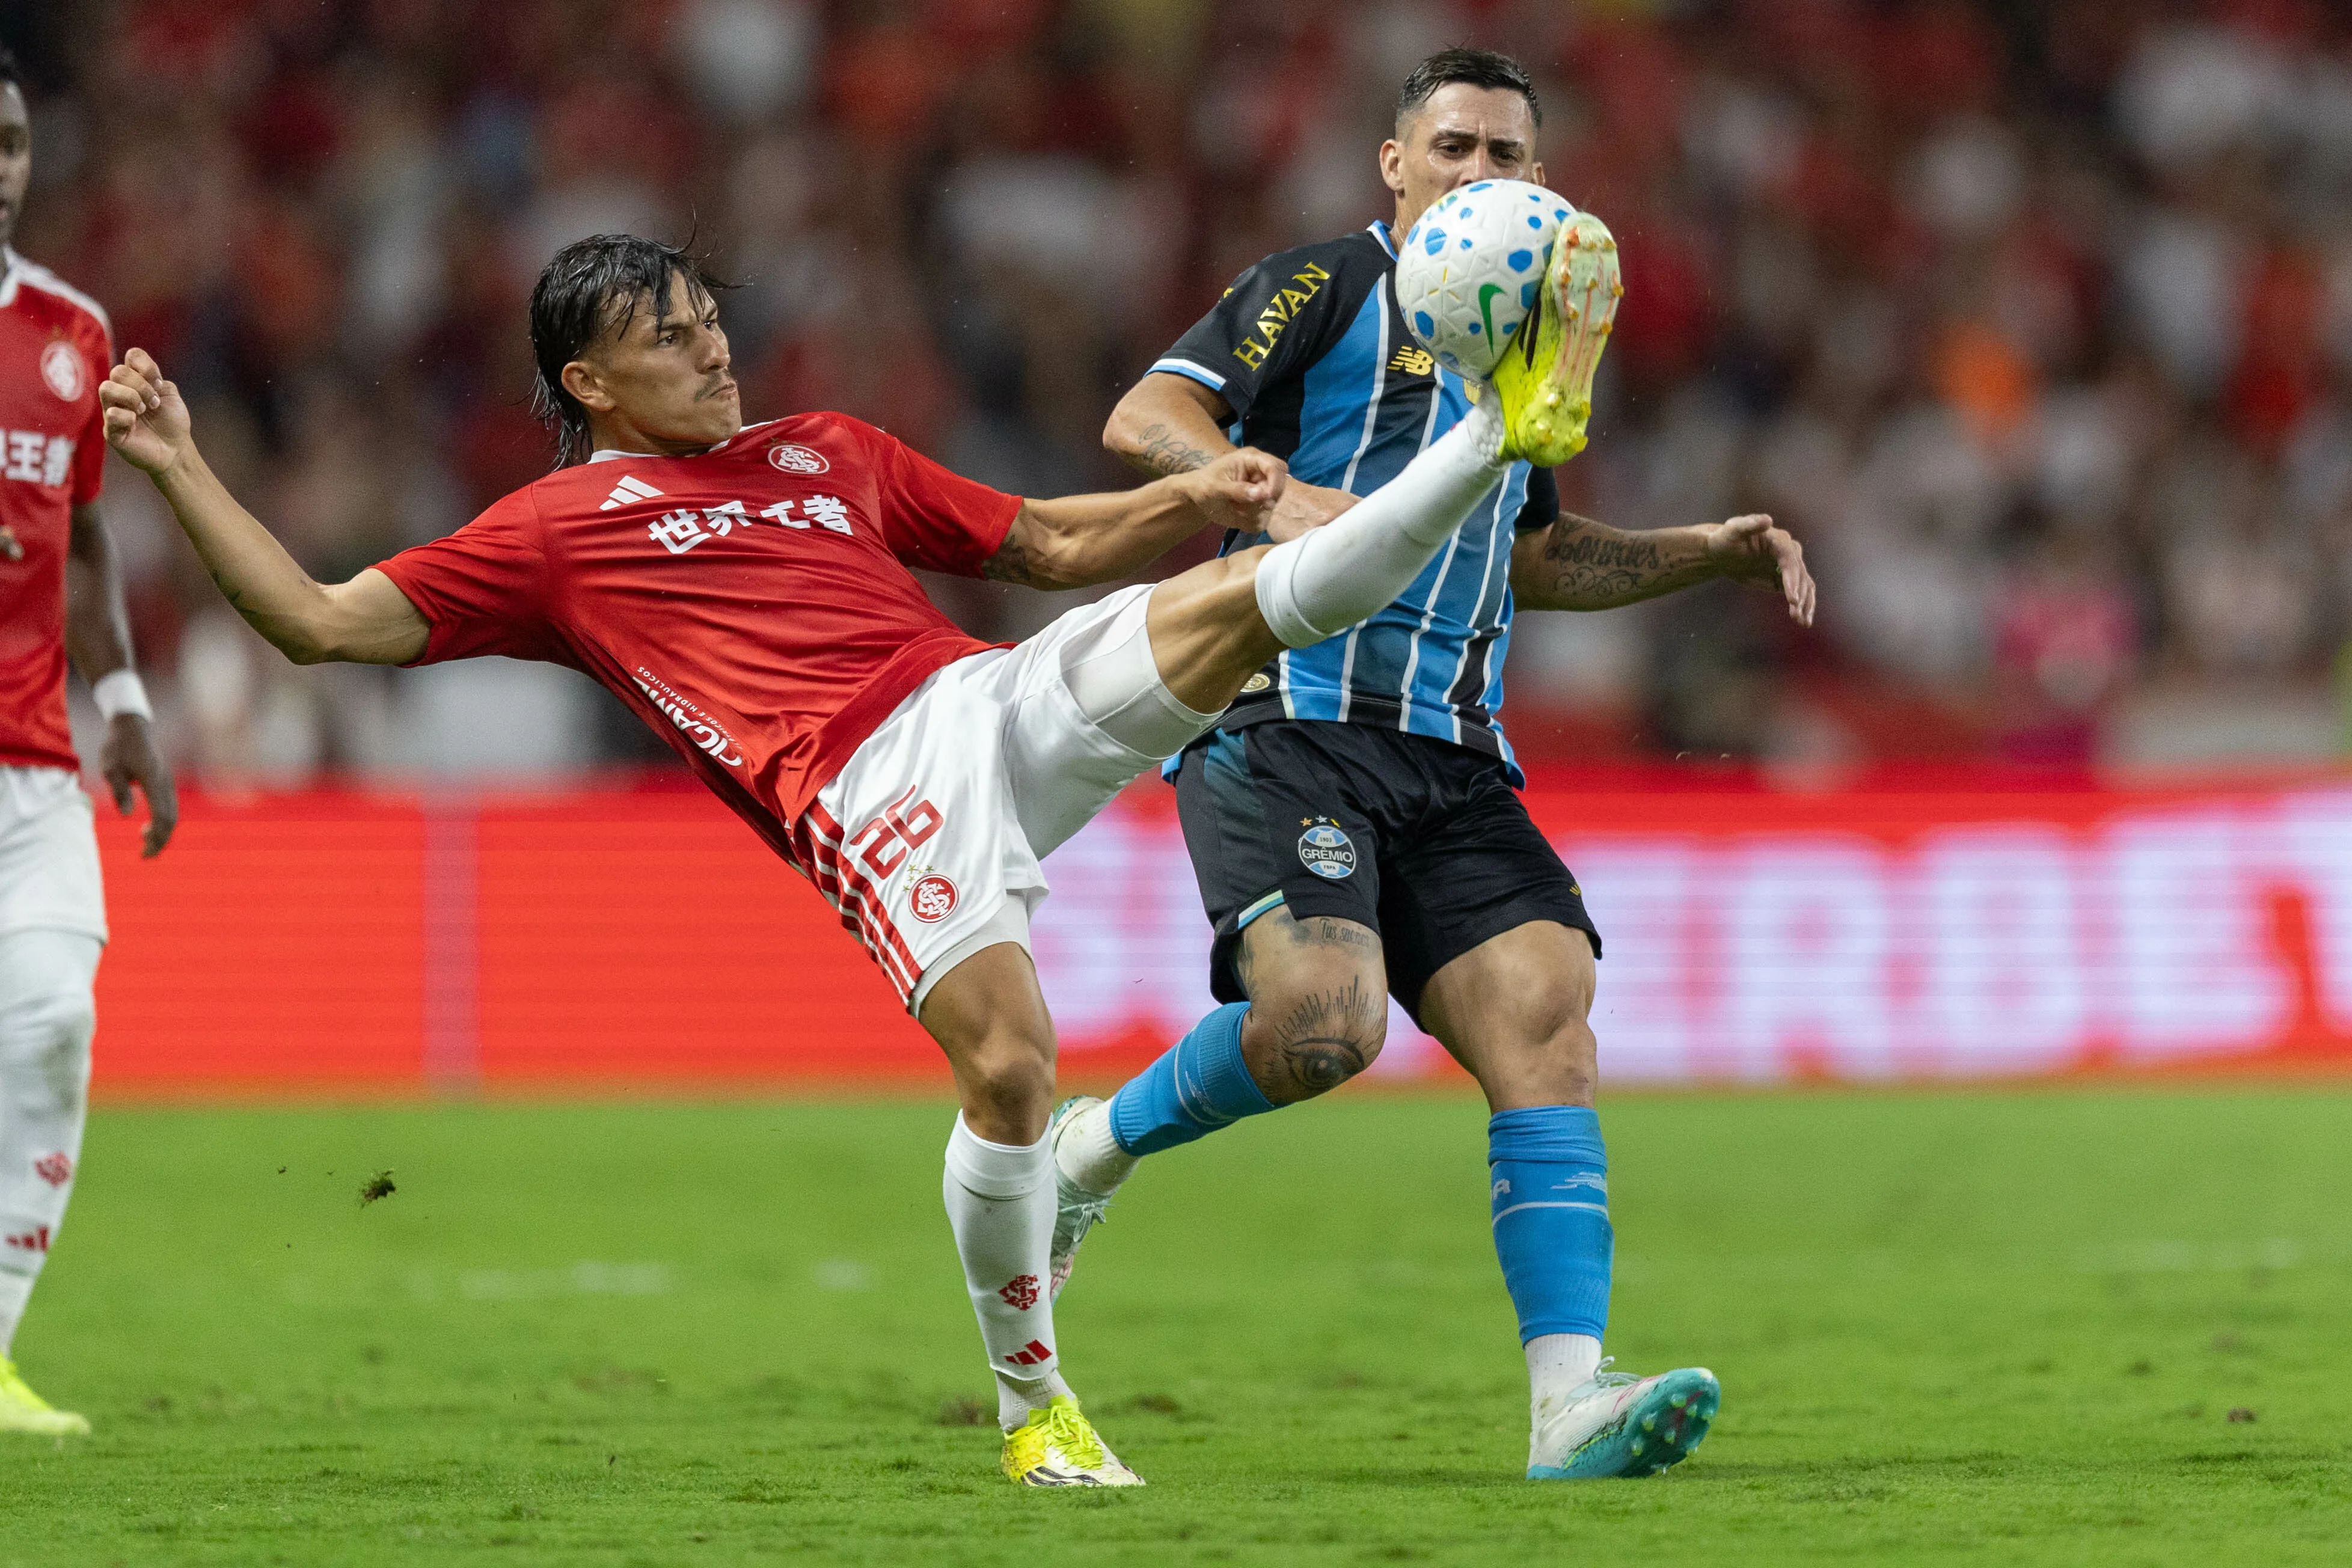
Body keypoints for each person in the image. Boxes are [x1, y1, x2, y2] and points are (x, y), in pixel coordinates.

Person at [102, 228, 1599, 1486]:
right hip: (870, 789)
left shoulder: (825, 448)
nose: (713, 354)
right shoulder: (555, 531)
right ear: (589, 381)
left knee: (1257, 597)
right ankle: (1034, 1408)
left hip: (983, 695)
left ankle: (1489, 432)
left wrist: (1194, 497)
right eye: (672, 341)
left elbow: (1041, 544)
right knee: (1013, 1064)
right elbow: (312, 618)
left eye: (711, 327)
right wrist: (173, 459)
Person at [1049, 47, 1817, 1481]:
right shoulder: (1325, 285)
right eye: (1454, 146)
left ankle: (1571, 1402)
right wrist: (1277, 496)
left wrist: (1702, 552)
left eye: (1511, 154)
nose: (1484, 173)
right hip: (1284, 715)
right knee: (1324, 1026)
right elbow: (1148, 415)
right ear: (1395, 167)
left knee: (1548, 1014)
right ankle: (1087, 1154)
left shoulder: (1529, 344)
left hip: (1455, 751)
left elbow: (1537, 554)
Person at [0, 45, 178, 1438]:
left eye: (10, 141)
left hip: (36, 761)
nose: (0, 166)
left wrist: (122, 705)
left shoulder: (69, 334)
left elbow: (91, 529)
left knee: (56, 1019)